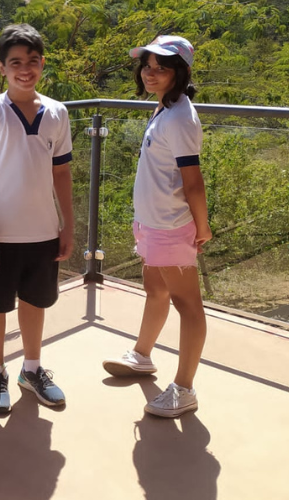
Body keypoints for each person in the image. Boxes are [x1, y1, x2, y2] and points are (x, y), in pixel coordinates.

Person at [102, 35, 212, 419]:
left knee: (188, 304)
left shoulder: (180, 117)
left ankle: (185, 387)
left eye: (161, 67)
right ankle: (143, 355)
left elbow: (193, 181)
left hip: (170, 226)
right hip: (152, 222)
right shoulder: (165, 107)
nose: (151, 73)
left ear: (179, 72)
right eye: (147, 66)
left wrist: (202, 226)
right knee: (156, 291)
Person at [0, 24, 75, 413]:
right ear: (1, 68)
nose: (25, 69)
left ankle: (31, 369)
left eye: (32, 61)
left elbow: (61, 172)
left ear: (42, 64)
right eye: (15, 62)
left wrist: (67, 224)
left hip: (43, 231)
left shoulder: (57, 113)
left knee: (35, 302)